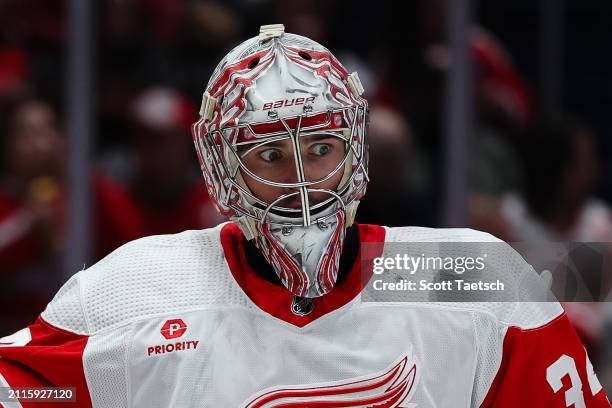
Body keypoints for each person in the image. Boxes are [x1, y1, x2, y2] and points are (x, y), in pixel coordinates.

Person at [0, 25, 609, 408]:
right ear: (220, 169)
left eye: (321, 148)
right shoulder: (139, 290)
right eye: (268, 153)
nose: (300, 179)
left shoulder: (461, 276)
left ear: (359, 150)